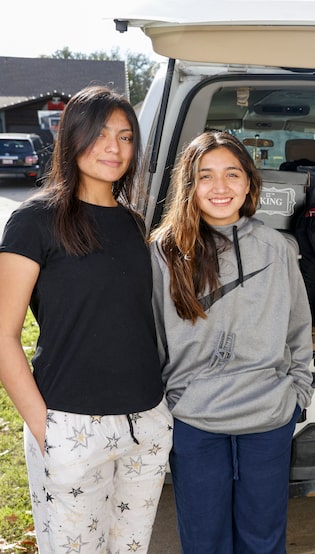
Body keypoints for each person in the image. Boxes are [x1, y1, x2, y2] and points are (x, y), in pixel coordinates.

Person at [0, 85, 173, 553]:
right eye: (99, 134)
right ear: (72, 138)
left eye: (124, 136)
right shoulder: (33, 221)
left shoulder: (136, 224)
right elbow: (3, 336)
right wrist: (45, 428)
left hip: (147, 423)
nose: (113, 148)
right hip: (72, 426)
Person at [150, 130, 314, 553]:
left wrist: (297, 393)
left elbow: (298, 330)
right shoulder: (164, 253)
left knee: (264, 538)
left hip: (269, 418)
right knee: (205, 541)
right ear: (189, 184)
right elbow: (151, 337)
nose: (220, 187)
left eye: (232, 174)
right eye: (205, 176)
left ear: (249, 183)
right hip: (195, 422)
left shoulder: (278, 248)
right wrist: (173, 403)